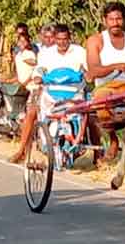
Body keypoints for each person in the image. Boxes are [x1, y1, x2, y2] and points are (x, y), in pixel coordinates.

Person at [9, 24, 86, 164]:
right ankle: (22, 150)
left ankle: (98, 154)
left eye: (65, 39)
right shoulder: (45, 53)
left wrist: (89, 75)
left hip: (74, 92)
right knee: (32, 112)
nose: (62, 42)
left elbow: (88, 68)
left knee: (90, 113)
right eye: (58, 39)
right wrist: (38, 77)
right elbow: (39, 69)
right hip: (49, 91)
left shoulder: (80, 51)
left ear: (70, 38)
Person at [85, 2, 125, 161]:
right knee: (100, 100)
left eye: (118, 19)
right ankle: (113, 139)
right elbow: (93, 70)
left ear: (123, 20)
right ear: (105, 21)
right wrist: (116, 66)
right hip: (106, 87)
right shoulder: (95, 41)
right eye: (111, 19)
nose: (115, 23)